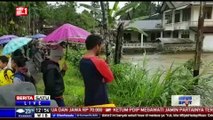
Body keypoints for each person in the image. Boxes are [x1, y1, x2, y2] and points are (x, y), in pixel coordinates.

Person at [79, 34, 114, 106]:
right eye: (101, 46)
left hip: (88, 98)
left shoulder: (82, 61)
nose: (101, 48)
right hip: (100, 99)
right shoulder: (99, 61)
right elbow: (110, 78)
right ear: (97, 46)